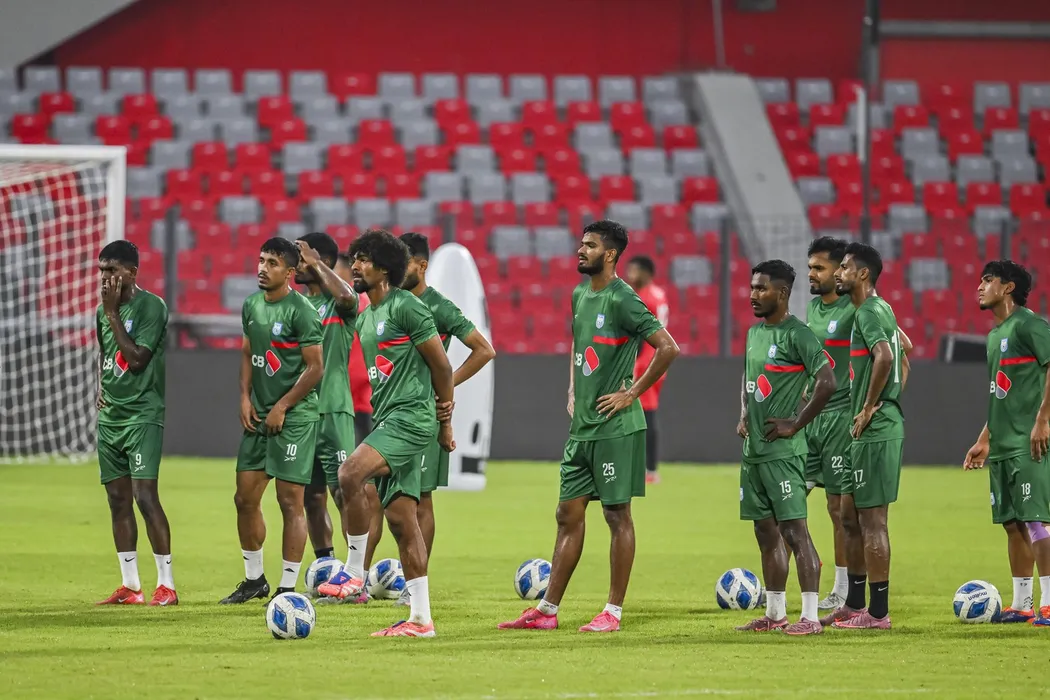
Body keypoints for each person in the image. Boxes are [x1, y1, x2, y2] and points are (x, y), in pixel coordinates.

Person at [498, 220, 679, 633]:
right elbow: (579, 345)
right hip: (582, 427)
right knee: (567, 514)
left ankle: (612, 611)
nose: (581, 250)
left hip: (616, 428)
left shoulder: (624, 299)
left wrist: (631, 393)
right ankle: (547, 610)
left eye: (591, 245)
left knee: (617, 516)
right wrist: (571, 387)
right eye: (581, 244)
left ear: (610, 254)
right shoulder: (580, 294)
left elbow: (668, 348)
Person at [317, 229, 455, 638]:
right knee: (402, 521)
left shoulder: (408, 307)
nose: (355, 266)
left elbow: (442, 367)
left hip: (410, 419)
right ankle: (421, 619)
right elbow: (344, 300)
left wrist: (444, 421)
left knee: (349, 473)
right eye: (354, 259)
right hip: (387, 419)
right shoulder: (366, 314)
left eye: (363, 260)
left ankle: (354, 572)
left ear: (385, 269)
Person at [220, 238, 324, 604]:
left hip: (295, 417)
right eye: (261, 260)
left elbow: (315, 368)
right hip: (259, 414)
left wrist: (283, 405)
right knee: (244, 498)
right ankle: (254, 581)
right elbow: (248, 353)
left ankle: (287, 588)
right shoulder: (251, 305)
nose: (263, 268)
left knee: (289, 501)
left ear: (290, 272)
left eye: (273, 263)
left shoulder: (302, 310)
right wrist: (244, 397)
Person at [734, 260, 835, 635]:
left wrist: (796, 423)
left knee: (795, 532)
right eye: (752, 287)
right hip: (754, 453)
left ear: (783, 293)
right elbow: (748, 376)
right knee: (765, 532)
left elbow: (827, 381)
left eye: (761, 288)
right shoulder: (754, 333)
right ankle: (775, 614)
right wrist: (744, 413)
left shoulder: (799, 335)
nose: (753, 294)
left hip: (784, 454)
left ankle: (810, 617)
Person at [395, 232, 496, 605]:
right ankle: (360, 575)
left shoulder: (438, 306)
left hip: (423, 415)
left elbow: (484, 350)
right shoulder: (392, 302)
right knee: (375, 494)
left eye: (403, 262)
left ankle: (414, 586)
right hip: (390, 410)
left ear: (422, 266)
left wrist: (446, 383)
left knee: (420, 499)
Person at [823, 242, 904, 630]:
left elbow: (886, 356)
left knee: (873, 521)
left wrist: (873, 405)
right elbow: (903, 350)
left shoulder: (870, 311)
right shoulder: (878, 309)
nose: (838, 274)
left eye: (844, 268)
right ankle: (854, 603)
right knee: (847, 514)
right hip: (866, 429)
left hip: (875, 428)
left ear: (863, 274)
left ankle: (878, 613)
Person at [964, 260, 1050, 625]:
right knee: (1012, 524)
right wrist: (984, 439)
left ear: (1008, 287)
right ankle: (1021, 603)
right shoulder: (994, 336)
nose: (980, 286)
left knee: (1036, 520)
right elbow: (999, 391)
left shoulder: (1031, 325)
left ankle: (1049, 603)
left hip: (1029, 442)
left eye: (988, 280)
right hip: (1002, 445)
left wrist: (1043, 420)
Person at [94, 240, 176, 606]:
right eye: (102, 271)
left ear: (132, 272)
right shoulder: (102, 312)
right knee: (117, 500)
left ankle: (166, 585)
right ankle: (131, 586)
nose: (105, 278)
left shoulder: (151, 307)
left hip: (143, 414)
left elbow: (138, 359)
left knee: (145, 497)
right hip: (111, 417)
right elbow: (106, 354)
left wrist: (113, 314)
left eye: (112, 270)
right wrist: (102, 386)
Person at [293, 233, 373, 604]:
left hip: (334, 409)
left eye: (301, 260)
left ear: (319, 261)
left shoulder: (339, 303)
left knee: (344, 492)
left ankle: (358, 577)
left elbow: (348, 297)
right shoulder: (295, 306)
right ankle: (327, 566)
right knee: (311, 496)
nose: (295, 267)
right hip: (302, 413)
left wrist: (316, 262)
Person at [802, 236, 855, 610]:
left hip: (841, 419)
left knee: (838, 510)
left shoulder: (857, 308)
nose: (811, 274)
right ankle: (787, 578)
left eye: (819, 268)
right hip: (810, 418)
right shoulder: (812, 308)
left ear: (840, 271)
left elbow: (900, 347)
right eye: (810, 267)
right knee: (785, 502)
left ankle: (842, 589)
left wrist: (874, 404)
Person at [337, 250, 385, 570]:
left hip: (363, 405)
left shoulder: (360, 305)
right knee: (347, 487)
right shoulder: (347, 308)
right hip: (347, 405)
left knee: (365, 489)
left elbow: (359, 365)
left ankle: (358, 567)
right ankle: (353, 565)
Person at [625, 255, 670, 485]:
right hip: (658, 360)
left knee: (646, 414)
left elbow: (643, 334)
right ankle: (645, 467)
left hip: (647, 362)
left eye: (634, 270)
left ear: (646, 272)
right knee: (644, 413)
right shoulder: (659, 294)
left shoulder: (643, 297)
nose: (630, 274)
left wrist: (635, 364)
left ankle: (650, 470)